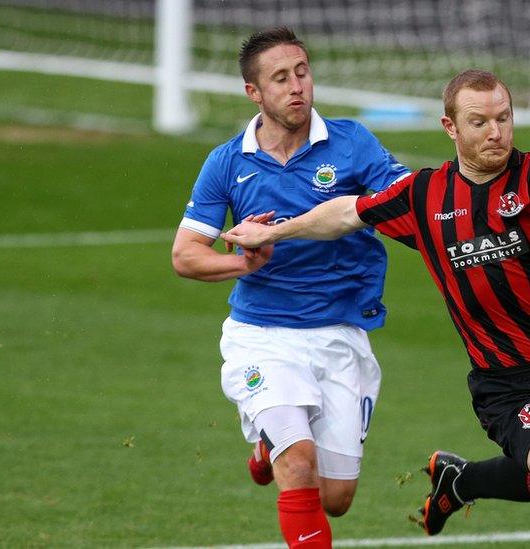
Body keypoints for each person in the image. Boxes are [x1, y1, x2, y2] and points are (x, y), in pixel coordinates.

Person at [221, 69, 530, 548]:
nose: (496, 133)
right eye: (479, 122)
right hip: (507, 387)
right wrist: (274, 231)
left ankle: (460, 481)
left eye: (503, 118)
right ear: (450, 128)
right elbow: (347, 211)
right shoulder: (425, 195)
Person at [170, 27, 410, 548]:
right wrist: (243, 265)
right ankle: (277, 439)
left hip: (341, 336)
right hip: (262, 337)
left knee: (336, 497)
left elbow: (404, 199)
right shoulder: (228, 163)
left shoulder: (352, 143)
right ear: (254, 93)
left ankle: (264, 446)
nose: (297, 86)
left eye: (302, 72)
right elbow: (185, 256)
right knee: (298, 462)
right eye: (280, 78)